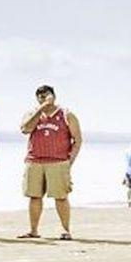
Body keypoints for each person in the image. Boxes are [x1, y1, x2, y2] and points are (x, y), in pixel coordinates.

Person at [18, 85, 82, 240]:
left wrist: (69, 161)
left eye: (45, 95)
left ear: (53, 96)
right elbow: (25, 129)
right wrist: (41, 109)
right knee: (34, 196)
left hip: (58, 162)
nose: (42, 97)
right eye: (39, 95)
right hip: (35, 161)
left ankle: (65, 230)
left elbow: (78, 140)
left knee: (61, 197)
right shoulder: (32, 113)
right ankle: (34, 230)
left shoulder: (67, 114)